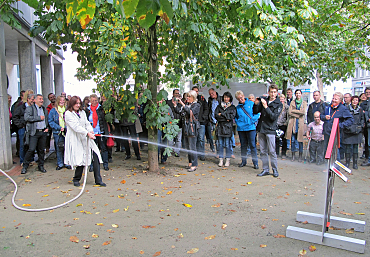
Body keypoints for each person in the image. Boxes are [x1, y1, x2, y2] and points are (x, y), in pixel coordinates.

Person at [64, 96, 106, 187]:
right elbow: (75, 127)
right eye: (76, 103)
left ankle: (98, 180)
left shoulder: (82, 112)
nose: (78, 105)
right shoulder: (68, 114)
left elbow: (86, 123)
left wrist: (90, 130)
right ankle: (76, 179)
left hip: (86, 137)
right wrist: (87, 133)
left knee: (95, 155)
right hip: (76, 138)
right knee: (81, 159)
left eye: (79, 103)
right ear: (72, 104)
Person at [253, 84, 282, 177]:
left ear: (277, 93)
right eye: (271, 92)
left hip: (271, 129)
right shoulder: (264, 100)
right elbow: (255, 111)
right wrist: (256, 103)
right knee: (263, 151)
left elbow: (273, 117)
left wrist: (266, 107)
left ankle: (275, 170)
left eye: (274, 92)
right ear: (268, 92)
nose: (273, 94)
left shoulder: (279, 104)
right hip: (262, 128)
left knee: (272, 151)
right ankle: (265, 169)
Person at [21, 94, 49, 174]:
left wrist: (47, 127)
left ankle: (41, 166)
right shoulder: (30, 108)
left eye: (42, 99)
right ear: (35, 100)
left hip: (43, 132)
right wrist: (38, 118)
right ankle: (25, 166)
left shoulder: (44, 109)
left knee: (41, 150)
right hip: (34, 132)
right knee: (31, 149)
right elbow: (27, 118)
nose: (42, 100)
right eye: (40, 99)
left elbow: (46, 119)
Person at [321, 92, 354, 159]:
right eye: (333, 98)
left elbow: (351, 120)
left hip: (336, 133)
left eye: (336, 99)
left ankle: (336, 166)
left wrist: (340, 125)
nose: (333, 100)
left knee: (335, 151)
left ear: (340, 100)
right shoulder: (328, 107)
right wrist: (324, 117)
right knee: (326, 150)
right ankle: (327, 166)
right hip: (327, 131)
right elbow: (321, 116)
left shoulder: (343, 109)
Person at [174, 90, 200, 172]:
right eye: (187, 96)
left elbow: (190, 112)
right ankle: (190, 162)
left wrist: (182, 104)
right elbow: (180, 112)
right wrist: (175, 105)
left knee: (192, 146)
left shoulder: (197, 105)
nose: (187, 98)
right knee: (188, 146)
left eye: (189, 96)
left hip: (192, 128)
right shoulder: (187, 105)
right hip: (186, 127)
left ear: (193, 97)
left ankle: (194, 164)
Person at [235, 90, 259, 169]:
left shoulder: (251, 103)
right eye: (238, 99)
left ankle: (255, 162)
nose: (240, 100)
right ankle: (243, 161)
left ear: (243, 96)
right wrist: (239, 123)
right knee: (243, 145)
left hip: (251, 128)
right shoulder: (237, 108)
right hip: (241, 129)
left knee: (252, 145)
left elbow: (257, 113)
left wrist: (251, 121)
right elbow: (236, 118)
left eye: (241, 97)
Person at [85, 94, 110, 170]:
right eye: (92, 101)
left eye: (96, 100)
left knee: (103, 148)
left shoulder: (101, 109)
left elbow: (105, 120)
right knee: (92, 149)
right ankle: (92, 165)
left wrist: (106, 131)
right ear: (90, 101)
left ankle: (105, 164)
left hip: (100, 131)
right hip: (92, 132)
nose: (94, 102)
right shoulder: (87, 110)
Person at [48, 96, 71, 170]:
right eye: (60, 100)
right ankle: (60, 163)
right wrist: (58, 127)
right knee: (58, 148)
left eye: (63, 100)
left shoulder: (67, 110)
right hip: (57, 132)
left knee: (67, 148)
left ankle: (67, 162)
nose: (62, 102)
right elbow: (50, 121)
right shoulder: (53, 111)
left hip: (66, 131)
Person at [214, 92, 236, 167]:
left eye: (227, 97)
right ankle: (220, 159)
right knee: (220, 144)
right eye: (225, 97)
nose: (226, 99)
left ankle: (227, 159)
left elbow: (231, 117)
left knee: (227, 144)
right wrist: (225, 118)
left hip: (228, 128)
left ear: (230, 98)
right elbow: (216, 116)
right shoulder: (219, 107)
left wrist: (222, 114)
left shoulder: (232, 107)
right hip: (220, 128)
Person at [286, 89, 308, 162]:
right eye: (297, 93)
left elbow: (303, 112)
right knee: (293, 140)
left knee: (300, 140)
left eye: (299, 93)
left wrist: (294, 111)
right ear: (295, 94)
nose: (298, 94)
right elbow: (289, 112)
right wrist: (298, 113)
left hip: (300, 123)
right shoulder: (292, 102)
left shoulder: (304, 103)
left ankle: (300, 156)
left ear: (301, 94)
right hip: (293, 123)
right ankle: (293, 156)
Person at [13, 93, 35, 165]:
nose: (33, 101)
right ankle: (22, 161)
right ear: (28, 99)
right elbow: (15, 117)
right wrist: (20, 125)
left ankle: (31, 160)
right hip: (23, 128)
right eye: (32, 99)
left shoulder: (33, 107)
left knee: (31, 144)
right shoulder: (20, 107)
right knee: (22, 144)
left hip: (31, 128)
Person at [343, 96, 364, 169]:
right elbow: (344, 119)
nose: (355, 102)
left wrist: (360, 127)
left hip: (357, 131)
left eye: (356, 100)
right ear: (351, 101)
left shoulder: (360, 109)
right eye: (353, 100)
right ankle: (347, 162)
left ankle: (355, 163)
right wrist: (348, 127)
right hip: (348, 131)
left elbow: (362, 119)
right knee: (348, 148)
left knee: (355, 148)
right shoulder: (347, 109)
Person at [192, 86, 209, 161]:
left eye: (197, 91)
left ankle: (202, 154)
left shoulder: (202, 99)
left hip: (201, 122)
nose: (196, 92)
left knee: (201, 138)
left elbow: (206, 108)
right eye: (194, 91)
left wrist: (203, 117)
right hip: (193, 122)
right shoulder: (190, 99)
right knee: (194, 138)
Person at [166, 89, 182, 157]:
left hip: (179, 124)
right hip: (171, 124)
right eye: (176, 93)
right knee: (170, 139)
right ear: (173, 94)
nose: (177, 95)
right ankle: (169, 151)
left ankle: (177, 152)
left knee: (178, 139)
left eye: (178, 93)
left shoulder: (181, 103)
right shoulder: (168, 102)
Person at [207, 88, 222, 152]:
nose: (211, 95)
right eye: (210, 94)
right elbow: (209, 110)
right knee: (216, 138)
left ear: (215, 92)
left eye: (212, 93)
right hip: (213, 121)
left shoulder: (221, 99)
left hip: (220, 121)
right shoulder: (210, 100)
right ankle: (218, 152)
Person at [276, 94, 289, 159]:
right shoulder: (276, 106)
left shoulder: (287, 107)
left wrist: (285, 123)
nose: (281, 100)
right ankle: (276, 153)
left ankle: (283, 153)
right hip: (277, 124)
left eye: (282, 99)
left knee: (284, 140)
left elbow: (288, 116)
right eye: (280, 99)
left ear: (284, 99)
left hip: (283, 125)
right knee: (276, 139)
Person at [360, 87, 370, 163]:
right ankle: (367, 157)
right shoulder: (364, 103)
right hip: (366, 125)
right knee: (367, 142)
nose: (368, 94)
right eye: (366, 92)